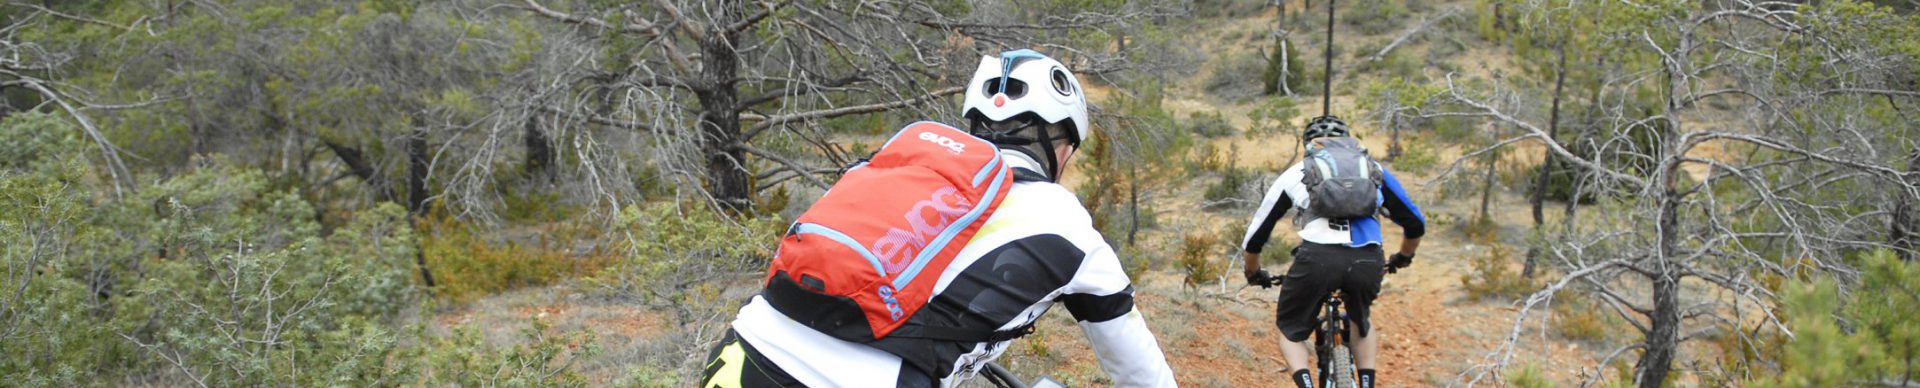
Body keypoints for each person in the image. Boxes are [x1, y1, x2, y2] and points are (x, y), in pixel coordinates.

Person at [701, 49, 1176, 388]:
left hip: (741, 350)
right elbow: (1141, 374)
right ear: (1063, 146)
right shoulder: (1068, 222)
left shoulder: (905, 167)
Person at [1239, 116, 1425, 388]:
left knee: (1291, 330)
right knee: (1361, 321)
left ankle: (1305, 384)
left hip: (1317, 260)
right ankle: (1366, 382)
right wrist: (1404, 256)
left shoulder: (1298, 172)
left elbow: (1257, 234)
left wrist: (1253, 271)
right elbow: (1415, 222)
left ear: (1309, 145)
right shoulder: (1374, 169)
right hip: (1367, 259)